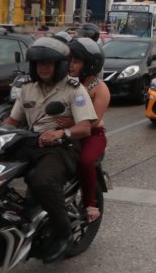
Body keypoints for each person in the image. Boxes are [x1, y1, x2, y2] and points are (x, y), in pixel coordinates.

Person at [0, 36, 97, 263]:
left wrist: (60, 133)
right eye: (39, 63)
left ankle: (62, 232)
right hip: (30, 142)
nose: (43, 68)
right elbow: (12, 121)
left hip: (61, 147)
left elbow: (85, 127)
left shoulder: (73, 89)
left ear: (60, 65)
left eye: (48, 63)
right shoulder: (27, 88)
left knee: (40, 180)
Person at [57, 36, 109, 223]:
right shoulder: (65, 82)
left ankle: (90, 204)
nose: (71, 65)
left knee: (86, 162)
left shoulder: (99, 88)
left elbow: (94, 121)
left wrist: (70, 123)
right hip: (65, 132)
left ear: (90, 65)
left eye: (76, 61)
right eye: (69, 60)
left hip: (91, 136)